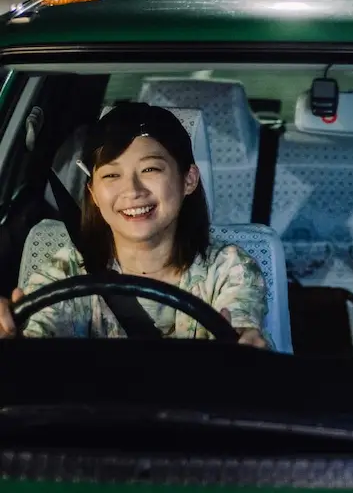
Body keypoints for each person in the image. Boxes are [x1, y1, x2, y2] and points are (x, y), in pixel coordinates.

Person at [0, 102, 272, 347]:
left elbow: (240, 324)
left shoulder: (228, 268)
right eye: (112, 174)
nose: (132, 190)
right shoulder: (64, 271)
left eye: (150, 169)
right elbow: (40, 335)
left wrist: (245, 345)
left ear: (188, 180)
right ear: (93, 193)